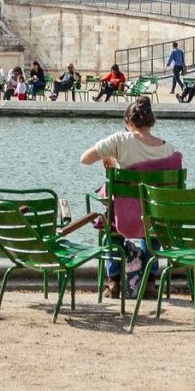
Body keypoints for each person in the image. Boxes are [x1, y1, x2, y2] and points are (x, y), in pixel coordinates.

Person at [79, 96, 182, 295]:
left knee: (110, 222)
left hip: (122, 217)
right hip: (154, 219)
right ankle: (150, 280)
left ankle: (114, 280)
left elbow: (85, 159)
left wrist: (109, 157)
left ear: (129, 122)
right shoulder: (168, 149)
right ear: (152, 121)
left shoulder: (120, 140)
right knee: (150, 219)